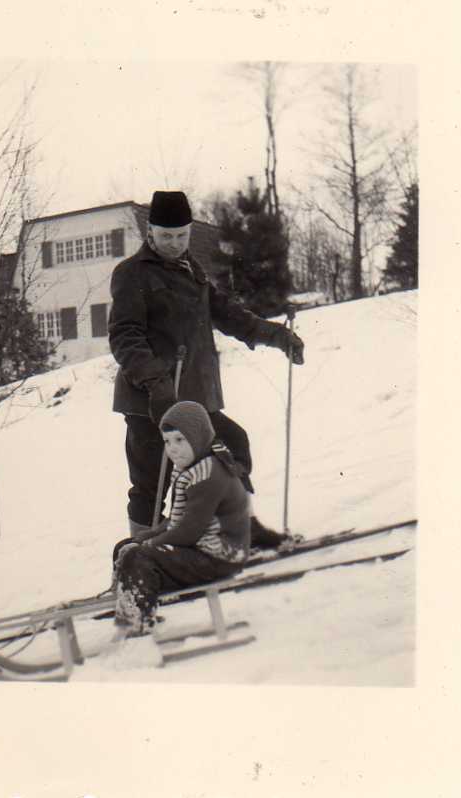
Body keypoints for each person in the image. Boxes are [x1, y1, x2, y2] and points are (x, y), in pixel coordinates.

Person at [108, 190, 304, 547]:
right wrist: (156, 382)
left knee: (231, 446)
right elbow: (125, 336)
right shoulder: (132, 273)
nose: (174, 243)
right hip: (151, 401)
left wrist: (277, 336)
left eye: (181, 235)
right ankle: (143, 556)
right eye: (166, 236)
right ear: (150, 232)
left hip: (193, 398)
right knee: (152, 482)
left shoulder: (192, 271)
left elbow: (229, 315)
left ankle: (233, 529)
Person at [104, 401, 251, 666]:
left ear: (198, 437)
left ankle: (137, 636)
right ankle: (133, 606)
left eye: (180, 440)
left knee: (138, 557)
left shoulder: (209, 473)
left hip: (217, 556)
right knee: (125, 547)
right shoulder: (189, 469)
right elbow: (176, 519)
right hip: (200, 550)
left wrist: (149, 545)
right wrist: (144, 537)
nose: (172, 448)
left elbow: (188, 531)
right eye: (167, 441)